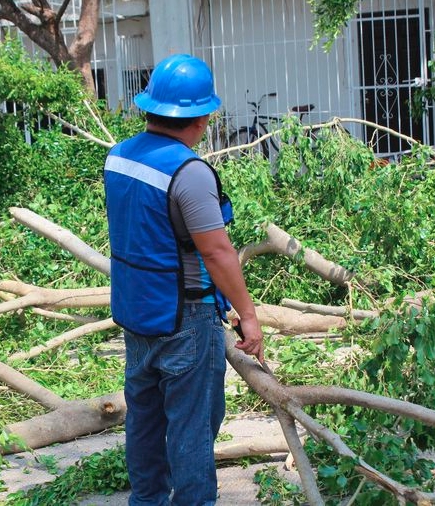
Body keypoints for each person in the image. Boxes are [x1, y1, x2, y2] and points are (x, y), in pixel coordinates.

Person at [103, 54, 264, 505]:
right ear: (203, 117)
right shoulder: (189, 173)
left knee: (146, 423)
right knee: (192, 430)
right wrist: (248, 317)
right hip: (186, 320)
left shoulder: (118, 157)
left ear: (151, 107)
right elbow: (216, 251)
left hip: (138, 313)